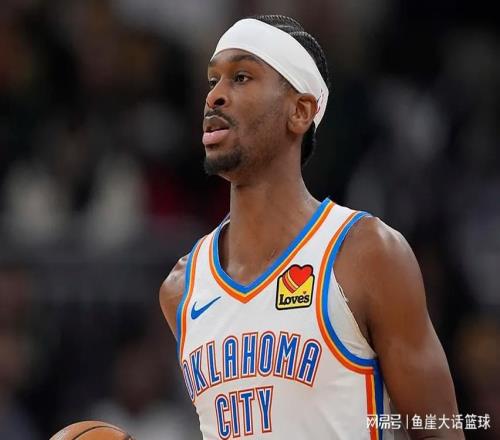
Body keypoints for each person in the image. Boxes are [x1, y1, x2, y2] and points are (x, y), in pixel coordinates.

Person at [160, 15, 463, 440]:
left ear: (300, 111)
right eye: (213, 81)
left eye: (241, 77)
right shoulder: (181, 289)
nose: (215, 97)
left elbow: (440, 431)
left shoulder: (366, 253)